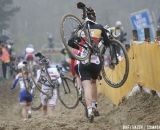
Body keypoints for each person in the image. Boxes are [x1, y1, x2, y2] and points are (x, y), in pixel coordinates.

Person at [68, 4, 110, 121]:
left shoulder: (81, 29)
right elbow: (107, 43)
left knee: (86, 86)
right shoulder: (99, 27)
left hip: (84, 61)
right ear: (94, 17)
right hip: (96, 62)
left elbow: (71, 42)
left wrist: (79, 44)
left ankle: (90, 109)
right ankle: (95, 104)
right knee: (93, 83)